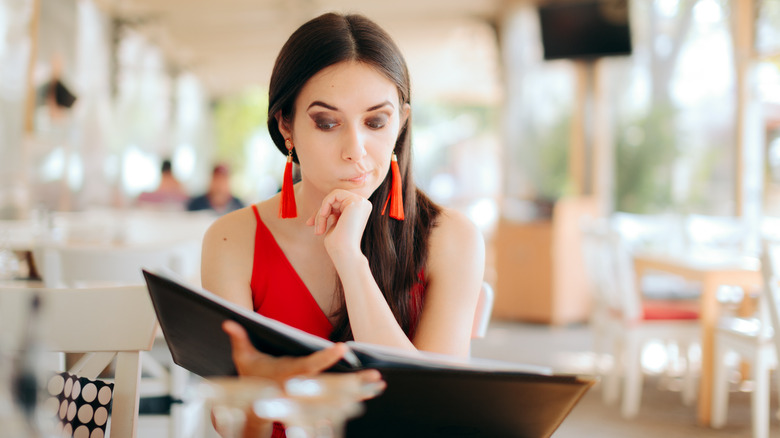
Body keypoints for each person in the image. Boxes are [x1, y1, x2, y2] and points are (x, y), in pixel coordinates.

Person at [201, 12, 485, 437]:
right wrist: (259, 395)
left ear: (401, 122)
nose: (356, 150)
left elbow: (432, 416)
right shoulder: (232, 239)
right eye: (328, 122)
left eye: (376, 121)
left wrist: (351, 262)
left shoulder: (451, 237)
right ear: (286, 124)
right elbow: (228, 425)